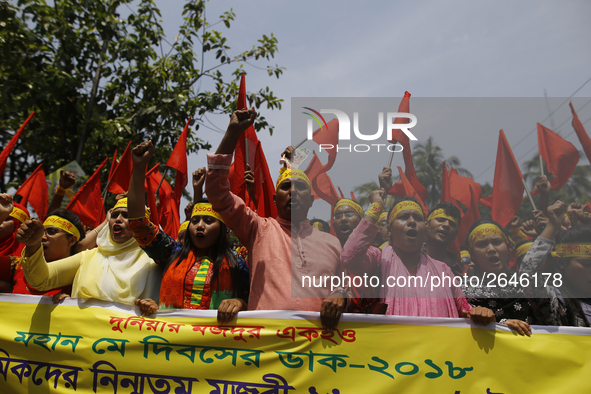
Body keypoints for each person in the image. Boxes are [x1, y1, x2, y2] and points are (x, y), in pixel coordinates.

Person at [205, 108, 346, 332]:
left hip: (317, 351)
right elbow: (217, 193)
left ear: (311, 200)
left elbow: (345, 286)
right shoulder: (258, 229)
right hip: (265, 345)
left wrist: (340, 295)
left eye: (300, 187)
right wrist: (232, 134)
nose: (293, 192)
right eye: (286, 187)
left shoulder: (332, 243)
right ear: (274, 197)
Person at [127, 141, 249, 323]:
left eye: (208, 221)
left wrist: (240, 302)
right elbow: (138, 223)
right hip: (171, 340)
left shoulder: (236, 264)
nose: (200, 226)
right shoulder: (172, 253)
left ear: (223, 230)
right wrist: (138, 168)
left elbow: (257, 300)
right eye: (194, 221)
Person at [342, 189, 494, 324]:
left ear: (425, 227)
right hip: (390, 353)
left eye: (418, 218)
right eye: (404, 217)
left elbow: (465, 310)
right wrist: (375, 207)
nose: (412, 222)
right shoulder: (378, 259)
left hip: (436, 354)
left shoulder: (443, 270)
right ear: (390, 230)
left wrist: (480, 312)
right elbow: (349, 258)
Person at [17, 198, 161, 305]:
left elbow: (173, 309)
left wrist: (156, 308)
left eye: (126, 215)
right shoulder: (88, 257)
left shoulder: (156, 261)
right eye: (115, 215)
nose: (118, 219)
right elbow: (41, 280)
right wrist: (33, 245)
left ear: (142, 224)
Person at [520, 200, 591, 326]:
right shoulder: (556, 303)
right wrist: (552, 225)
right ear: (561, 262)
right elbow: (529, 275)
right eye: (586, 264)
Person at [0, 208, 95, 300]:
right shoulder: (18, 264)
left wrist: (72, 303)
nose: (42, 237)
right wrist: (2, 214)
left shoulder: (83, 276)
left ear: (71, 240)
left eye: (52, 232)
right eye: (41, 232)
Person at [462, 219, 534, 335]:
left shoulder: (529, 284)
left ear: (508, 248)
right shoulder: (461, 292)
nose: (491, 249)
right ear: (472, 255)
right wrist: (499, 327)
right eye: (482, 244)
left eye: (496, 242)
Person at [424, 201, 466, 276]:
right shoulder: (408, 258)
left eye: (452, 224)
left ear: (455, 234)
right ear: (426, 224)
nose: (446, 225)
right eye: (440, 220)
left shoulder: (464, 271)